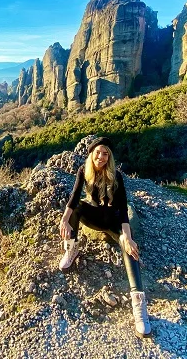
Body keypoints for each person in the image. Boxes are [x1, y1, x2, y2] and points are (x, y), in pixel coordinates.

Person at [58, 137, 151, 338]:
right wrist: (64, 220)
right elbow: (74, 198)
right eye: (98, 152)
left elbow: (124, 208)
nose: (101, 157)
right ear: (92, 154)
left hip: (113, 221)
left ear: (109, 157)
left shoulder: (115, 175)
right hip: (95, 218)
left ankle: (138, 304)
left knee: (129, 247)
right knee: (76, 211)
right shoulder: (84, 171)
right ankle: (72, 249)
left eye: (105, 153)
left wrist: (126, 235)